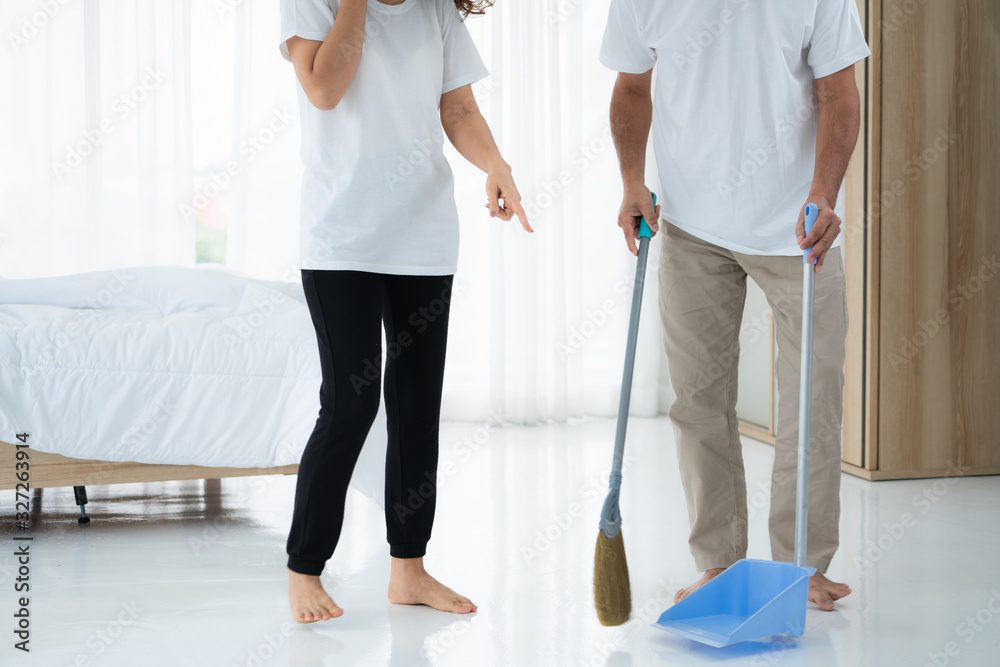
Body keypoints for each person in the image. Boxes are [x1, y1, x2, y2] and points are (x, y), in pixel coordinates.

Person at [600, 0, 870, 610]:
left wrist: (824, 194)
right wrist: (632, 182)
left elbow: (840, 93)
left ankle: (802, 564)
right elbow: (631, 88)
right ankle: (719, 562)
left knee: (812, 399)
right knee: (698, 400)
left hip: (801, 229)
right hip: (694, 223)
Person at [278, 0, 531, 624]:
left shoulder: (435, 14)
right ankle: (304, 568)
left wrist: (496, 164)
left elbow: (459, 108)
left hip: (423, 237)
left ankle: (409, 571)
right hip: (341, 240)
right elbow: (324, 89)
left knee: (417, 405)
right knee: (350, 404)